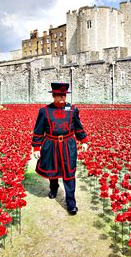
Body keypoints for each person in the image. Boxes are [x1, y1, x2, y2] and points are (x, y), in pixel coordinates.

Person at [31, 82, 88, 215]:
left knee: (69, 173)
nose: (62, 98)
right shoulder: (44, 111)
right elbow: (38, 130)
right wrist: (36, 147)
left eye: (64, 95)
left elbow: (78, 127)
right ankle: (54, 188)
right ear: (54, 96)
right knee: (53, 169)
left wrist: (83, 140)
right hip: (51, 144)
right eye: (59, 95)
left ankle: (71, 203)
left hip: (68, 144)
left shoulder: (73, 110)